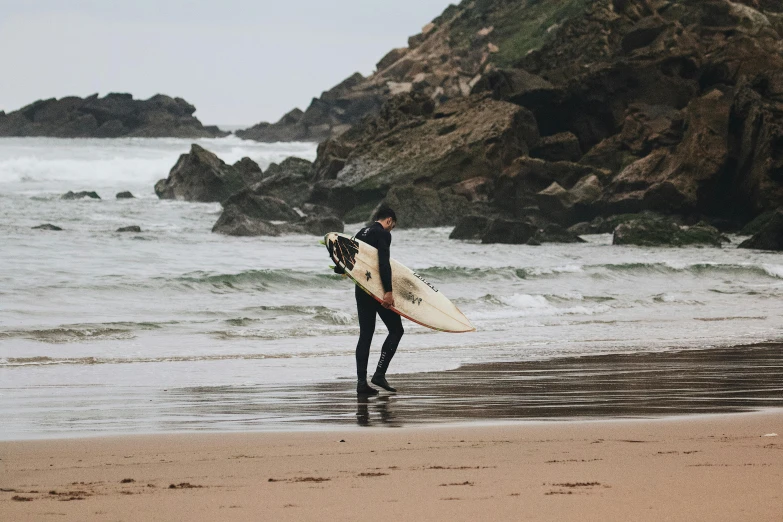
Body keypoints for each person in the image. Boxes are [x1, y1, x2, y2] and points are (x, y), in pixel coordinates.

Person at [337, 207, 404, 395]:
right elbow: (383, 263)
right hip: (377, 291)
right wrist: (388, 292)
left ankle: (361, 383)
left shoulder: (361, 232)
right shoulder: (382, 234)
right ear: (389, 220)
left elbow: (347, 259)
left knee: (366, 335)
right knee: (397, 330)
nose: (391, 231)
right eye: (392, 227)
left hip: (361, 288)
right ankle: (379, 374)